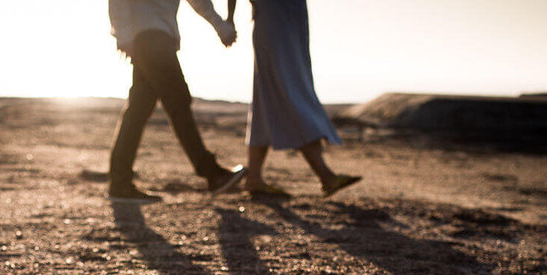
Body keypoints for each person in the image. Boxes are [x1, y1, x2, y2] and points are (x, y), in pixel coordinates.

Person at [108, 0, 249, 204]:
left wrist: (221, 27)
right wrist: (123, 34)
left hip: (152, 36)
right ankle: (212, 174)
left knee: (138, 109)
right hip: (151, 37)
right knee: (178, 103)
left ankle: (119, 184)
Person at [228, 0, 360, 197]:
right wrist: (229, 20)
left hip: (289, 23)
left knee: (270, 98)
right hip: (275, 23)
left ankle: (255, 178)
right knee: (289, 95)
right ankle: (325, 175)